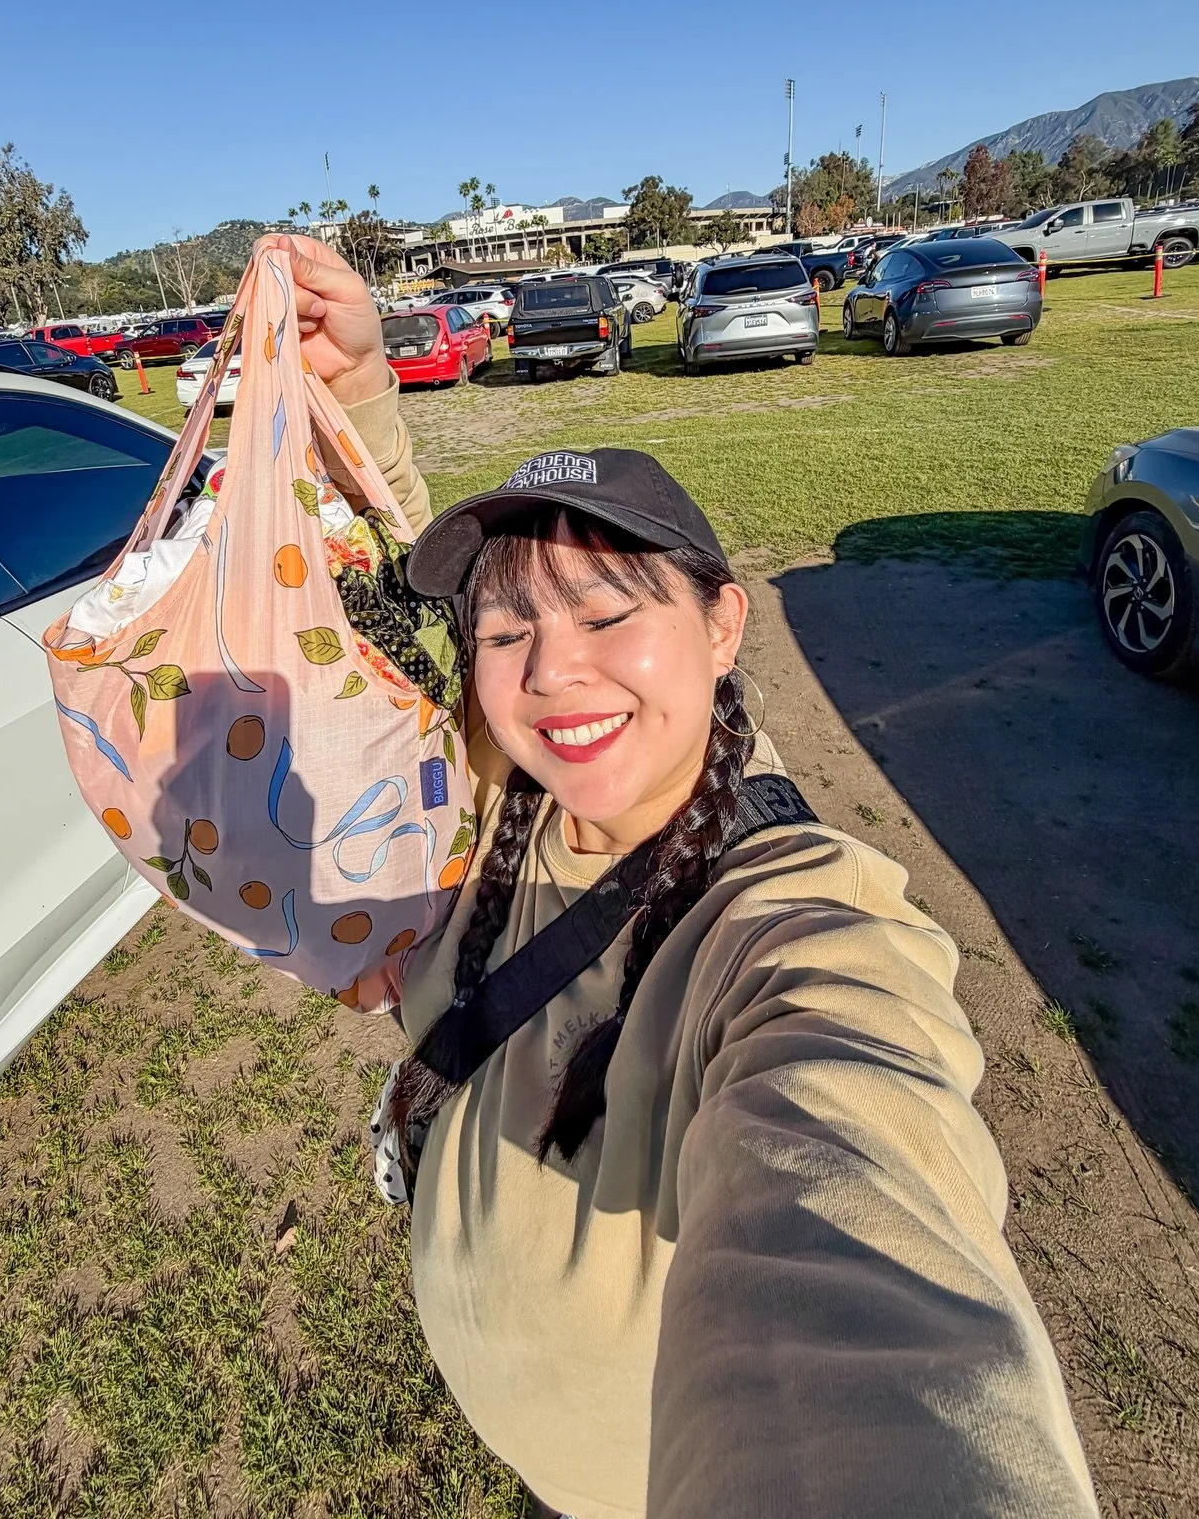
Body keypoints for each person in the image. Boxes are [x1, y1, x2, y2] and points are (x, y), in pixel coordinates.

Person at [279, 232, 1098, 1519]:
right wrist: (360, 384)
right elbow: (382, 601)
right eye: (506, 629)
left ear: (723, 625)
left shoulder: (785, 922)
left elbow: (856, 1170)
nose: (552, 673)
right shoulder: (500, 780)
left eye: (609, 614)